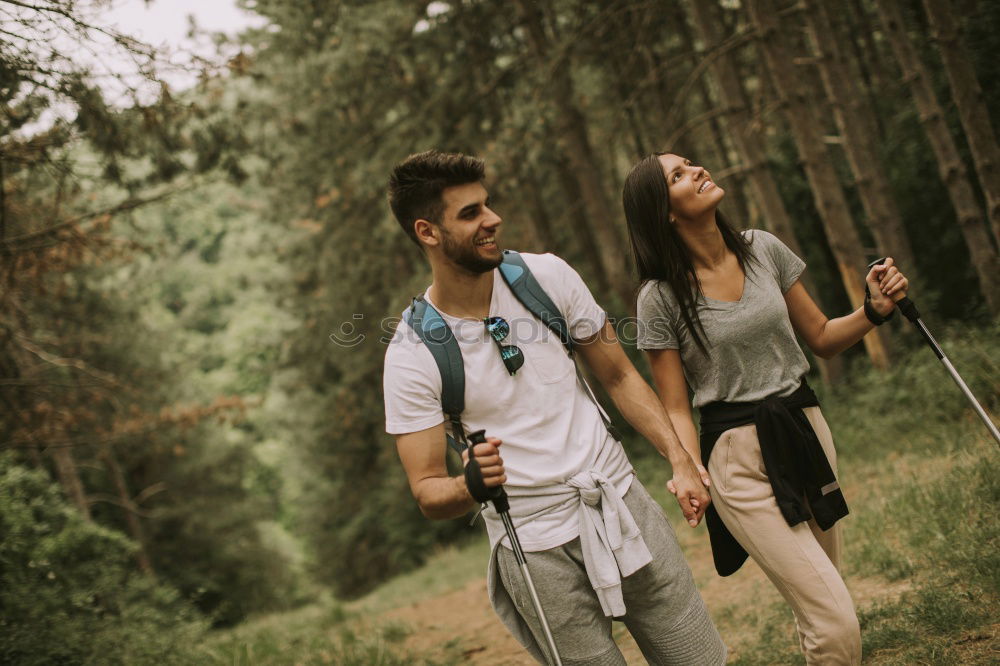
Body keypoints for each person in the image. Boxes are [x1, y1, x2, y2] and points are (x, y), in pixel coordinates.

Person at [383, 150, 727, 665]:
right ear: (428, 232)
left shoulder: (545, 277)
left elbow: (619, 375)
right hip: (533, 544)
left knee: (699, 659)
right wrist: (469, 485)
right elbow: (429, 491)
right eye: (470, 213)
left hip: (619, 499)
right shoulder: (412, 353)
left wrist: (680, 459)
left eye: (488, 205)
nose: (492, 219)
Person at [623, 153, 909, 665]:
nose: (699, 171)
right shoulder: (660, 298)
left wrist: (873, 312)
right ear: (663, 211)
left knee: (822, 598)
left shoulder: (762, 249)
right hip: (736, 460)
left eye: (692, 164)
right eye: (679, 175)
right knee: (834, 614)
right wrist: (685, 469)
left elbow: (820, 337)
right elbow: (677, 407)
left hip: (806, 430)